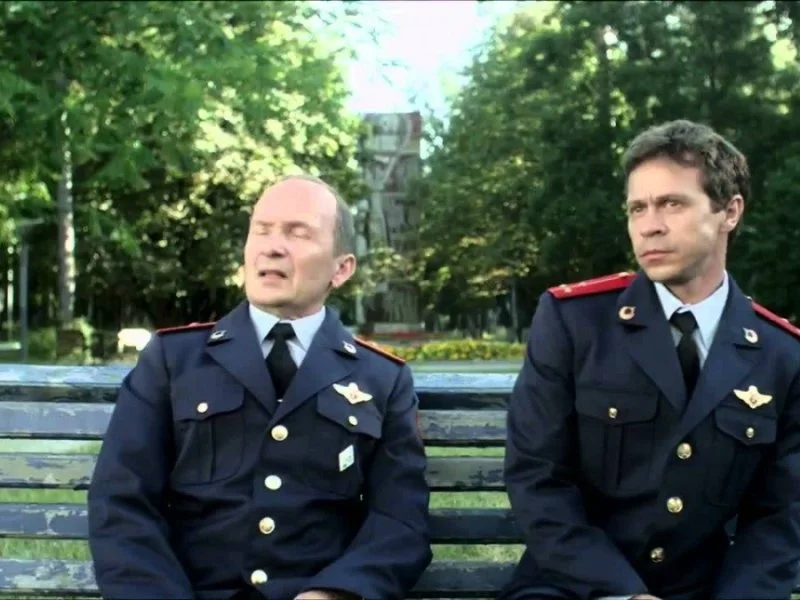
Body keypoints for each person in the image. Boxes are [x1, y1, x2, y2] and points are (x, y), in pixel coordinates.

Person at [88, 175, 432, 600]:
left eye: (298, 233)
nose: (272, 247)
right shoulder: (173, 360)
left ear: (341, 268)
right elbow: (122, 502)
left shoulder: (381, 378)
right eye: (262, 230)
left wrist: (335, 594)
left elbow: (400, 522)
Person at [500, 120, 800, 600]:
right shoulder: (575, 322)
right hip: (575, 586)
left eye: (672, 204)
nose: (649, 225)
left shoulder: (781, 354)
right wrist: (625, 594)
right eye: (637, 208)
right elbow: (538, 479)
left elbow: (780, 517)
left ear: (730, 211)